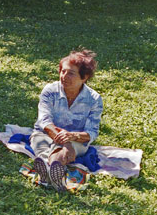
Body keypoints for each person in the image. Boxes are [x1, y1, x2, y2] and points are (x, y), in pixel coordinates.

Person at [31, 49, 103, 192]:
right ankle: (54, 170)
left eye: (71, 73)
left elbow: (92, 132)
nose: (64, 76)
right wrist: (65, 141)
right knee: (42, 144)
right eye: (63, 71)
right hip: (46, 134)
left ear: (84, 77)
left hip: (76, 139)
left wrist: (72, 137)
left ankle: (48, 169)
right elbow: (44, 122)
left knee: (63, 151)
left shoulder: (94, 99)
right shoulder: (50, 91)